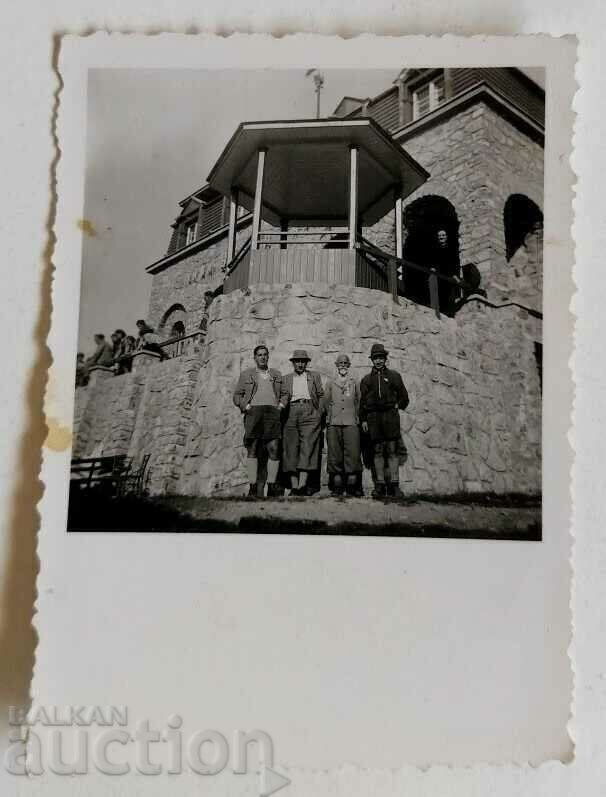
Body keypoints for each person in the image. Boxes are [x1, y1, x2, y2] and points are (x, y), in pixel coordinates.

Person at [232, 344, 288, 499]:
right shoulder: (246, 375)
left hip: (272, 414)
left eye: (265, 354)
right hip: (254, 414)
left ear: (268, 356)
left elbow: (285, 394)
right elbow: (236, 396)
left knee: (274, 450)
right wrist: (247, 406)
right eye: (259, 355)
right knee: (253, 450)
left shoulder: (276, 374)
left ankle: (271, 487)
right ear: (255, 357)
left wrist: (281, 406)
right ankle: (252, 487)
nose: (263, 357)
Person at [359, 343, 410, 499]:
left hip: (390, 417)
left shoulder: (394, 376)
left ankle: (394, 486)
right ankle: (380, 486)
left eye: (381, 358)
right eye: (375, 358)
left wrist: (397, 405)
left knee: (392, 451)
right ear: (372, 360)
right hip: (374, 419)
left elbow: (404, 397)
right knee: (378, 451)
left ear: (385, 359)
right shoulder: (366, 380)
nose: (378, 361)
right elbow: (362, 403)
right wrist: (363, 420)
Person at [281, 350, 324, 497]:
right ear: (293, 363)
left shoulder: (314, 376)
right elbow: (282, 396)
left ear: (306, 363)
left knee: (308, 447)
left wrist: (319, 413)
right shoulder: (285, 379)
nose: (300, 364)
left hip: (309, 411)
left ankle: (302, 485)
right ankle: (294, 487)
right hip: (291, 412)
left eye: (303, 361)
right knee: (291, 449)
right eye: (297, 361)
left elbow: (321, 395)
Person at [323, 354, 362, 497]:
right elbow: (326, 401)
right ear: (336, 365)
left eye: (346, 363)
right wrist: (330, 415)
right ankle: (337, 486)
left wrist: (356, 416)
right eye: (340, 363)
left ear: (349, 365)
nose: (343, 365)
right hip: (334, 422)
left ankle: (352, 486)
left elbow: (359, 400)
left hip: (351, 422)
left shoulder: (354, 382)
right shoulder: (330, 382)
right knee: (334, 453)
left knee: (352, 452)